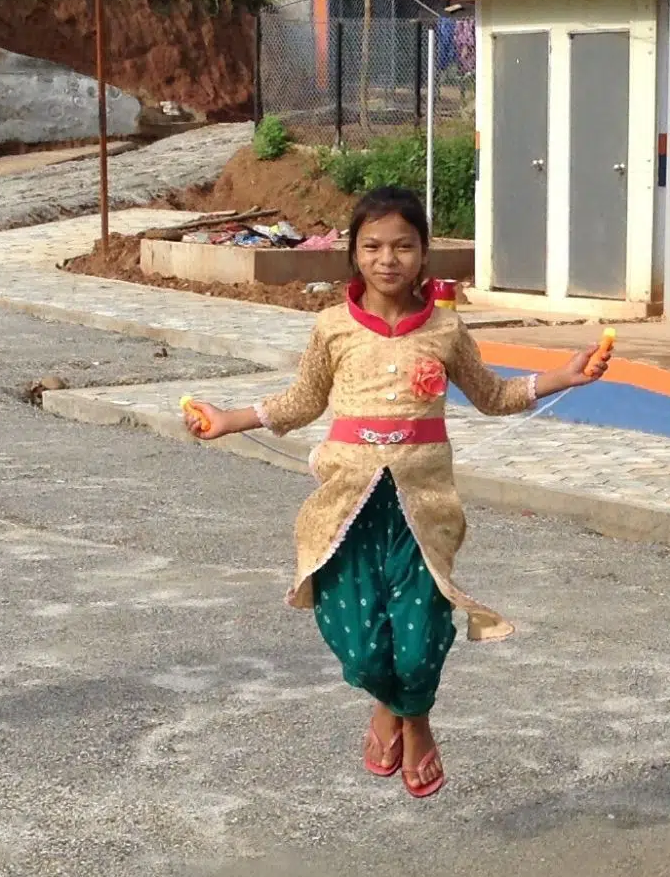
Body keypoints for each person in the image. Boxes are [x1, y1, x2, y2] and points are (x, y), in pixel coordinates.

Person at [183, 187, 611, 798]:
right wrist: (229, 417)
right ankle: (394, 707)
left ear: (424, 253)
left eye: (404, 246)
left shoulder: (446, 327)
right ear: (353, 254)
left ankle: (416, 720)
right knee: (357, 646)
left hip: (422, 510)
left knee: (416, 642)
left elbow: (492, 396)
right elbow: (301, 402)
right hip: (346, 510)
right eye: (373, 246)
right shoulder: (331, 327)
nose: (389, 259)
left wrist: (561, 377)